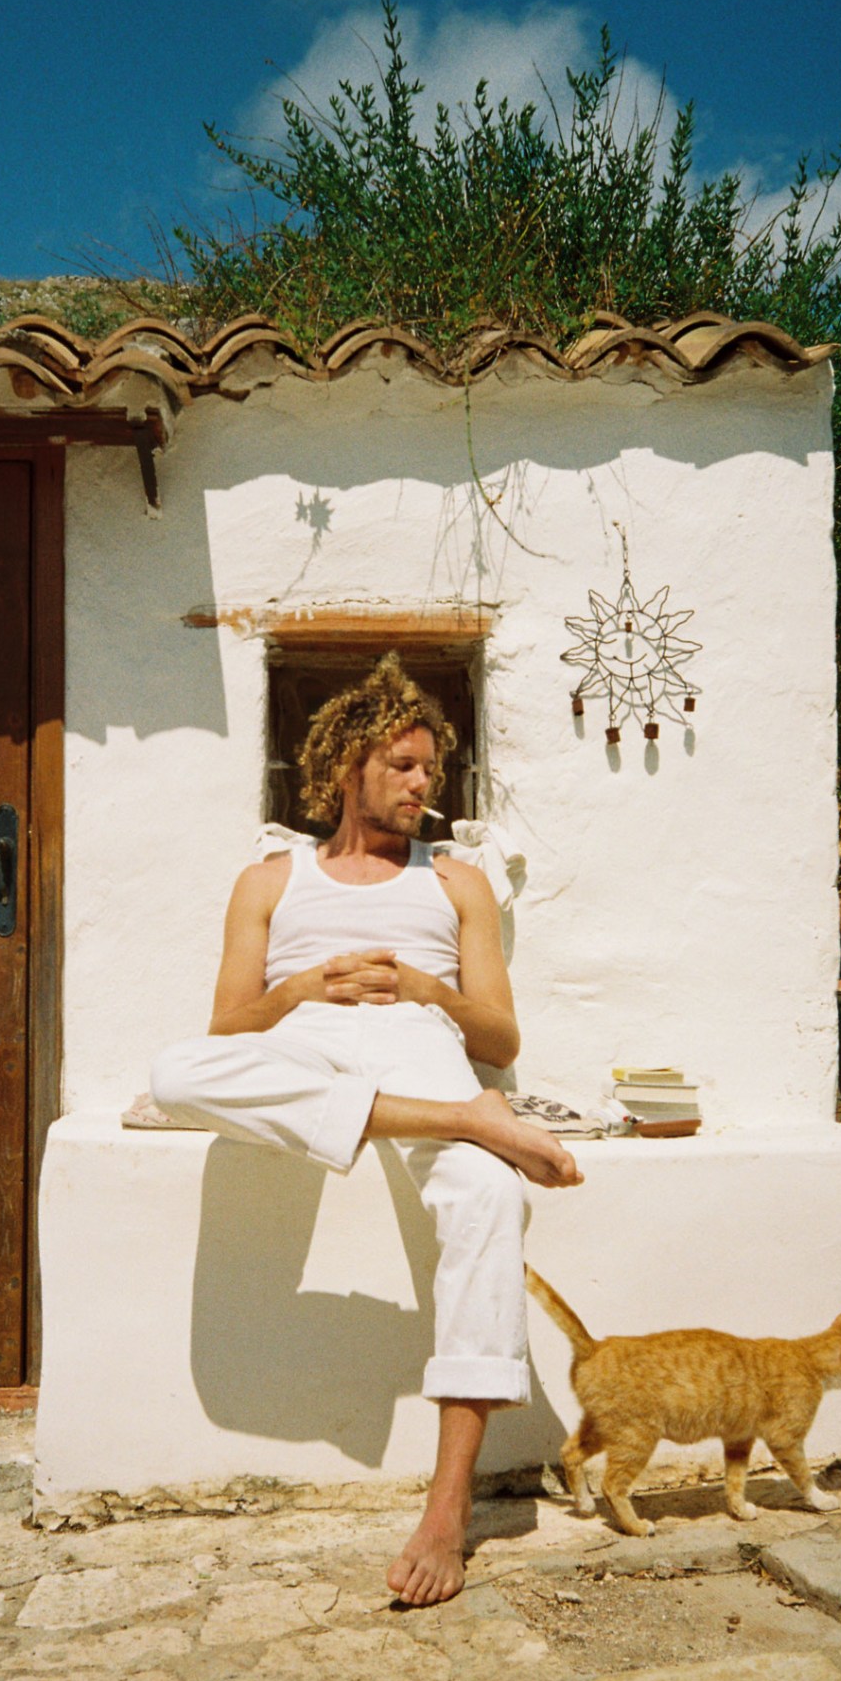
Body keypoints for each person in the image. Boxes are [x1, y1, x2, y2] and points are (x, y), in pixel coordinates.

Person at [151, 655, 582, 1604]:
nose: (424, 784)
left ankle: (448, 1508)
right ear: (348, 766)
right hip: (307, 1044)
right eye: (404, 765)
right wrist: (308, 986)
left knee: (485, 1190)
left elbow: (501, 1034)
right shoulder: (272, 878)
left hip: (417, 1041)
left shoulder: (457, 881)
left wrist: (422, 987)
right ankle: (462, 1120)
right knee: (172, 1071)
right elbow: (226, 1029)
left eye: (430, 768)